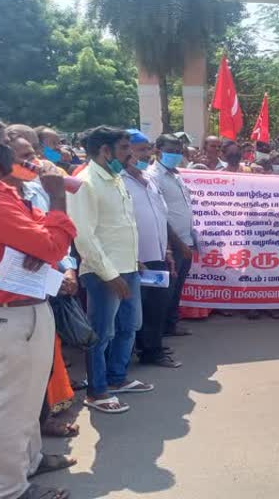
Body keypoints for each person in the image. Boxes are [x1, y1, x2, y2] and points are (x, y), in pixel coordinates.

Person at [0, 113, 75, 499]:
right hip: (11, 313)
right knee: (16, 406)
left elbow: (35, 226)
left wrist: (37, 239)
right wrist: (58, 197)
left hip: (18, 307)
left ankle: (31, 460)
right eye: (5, 141)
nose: (12, 149)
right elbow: (51, 245)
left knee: (27, 400)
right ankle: (10, 489)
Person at [68, 126, 154, 414]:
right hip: (104, 274)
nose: (130, 154)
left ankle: (117, 379)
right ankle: (97, 391)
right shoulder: (86, 182)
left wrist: (133, 260)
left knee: (129, 327)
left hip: (127, 268)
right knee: (100, 334)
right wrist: (110, 274)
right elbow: (84, 236)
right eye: (124, 148)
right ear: (105, 150)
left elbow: (121, 226)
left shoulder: (115, 178)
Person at [122, 138, 182, 368]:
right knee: (137, 309)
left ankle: (152, 350)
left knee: (157, 304)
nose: (146, 154)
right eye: (139, 150)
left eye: (147, 149)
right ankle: (134, 352)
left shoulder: (148, 178)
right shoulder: (120, 181)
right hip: (135, 258)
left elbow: (160, 215)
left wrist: (166, 248)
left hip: (157, 255)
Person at [148, 134, 204, 328]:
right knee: (168, 288)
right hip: (171, 243)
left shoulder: (176, 174)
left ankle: (171, 324)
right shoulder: (152, 177)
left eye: (178, 152)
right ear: (157, 151)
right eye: (170, 151)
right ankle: (161, 329)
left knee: (177, 286)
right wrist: (178, 244)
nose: (175, 155)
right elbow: (160, 215)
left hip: (186, 239)